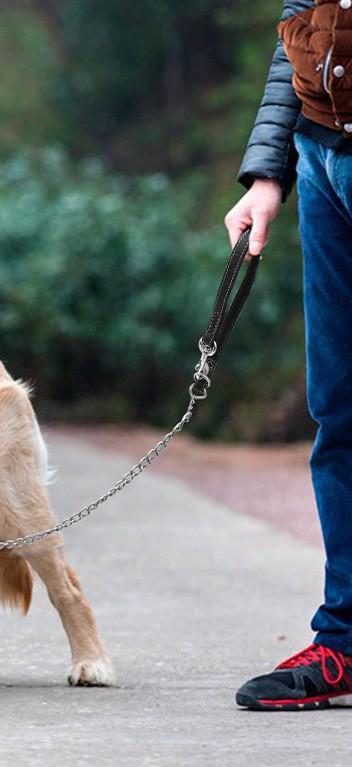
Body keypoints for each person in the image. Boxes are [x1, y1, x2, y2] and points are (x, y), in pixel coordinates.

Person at [228, 0, 352, 710]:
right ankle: (343, 641)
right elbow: (300, 26)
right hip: (324, 159)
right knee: (338, 412)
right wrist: (269, 172)